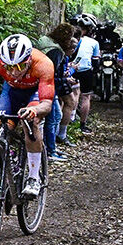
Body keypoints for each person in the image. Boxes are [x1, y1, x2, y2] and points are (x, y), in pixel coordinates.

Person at [0, 34, 55, 198]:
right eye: (9, 67)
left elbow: (46, 104)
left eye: (20, 66)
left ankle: (33, 178)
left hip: (35, 95)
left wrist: (35, 111)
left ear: (29, 59)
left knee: (30, 123)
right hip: (11, 93)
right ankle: (9, 162)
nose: (13, 72)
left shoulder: (44, 64)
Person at [35, 23, 75, 162]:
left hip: (39, 84)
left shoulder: (45, 41)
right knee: (53, 118)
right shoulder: (55, 51)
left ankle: (50, 148)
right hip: (45, 88)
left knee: (55, 116)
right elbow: (50, 73)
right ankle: (49, 151)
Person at [71, 14, 100, 134]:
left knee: (72, 94)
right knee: (86, 96)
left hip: (71, 69)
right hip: (86, 71)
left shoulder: (72, 40)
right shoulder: (94, 42)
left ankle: (70, 120)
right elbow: (96, 60)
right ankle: (82, 125)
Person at [56, 36, 79, 148]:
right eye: (72, 48)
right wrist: (66, 78)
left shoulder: (64, 57)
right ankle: (61, 133)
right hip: (58, 83)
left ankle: (60, 132)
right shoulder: (60, 56)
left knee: (67, 103)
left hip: (61, 80)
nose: (73, 51)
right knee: (70, 102)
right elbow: (56, 74)